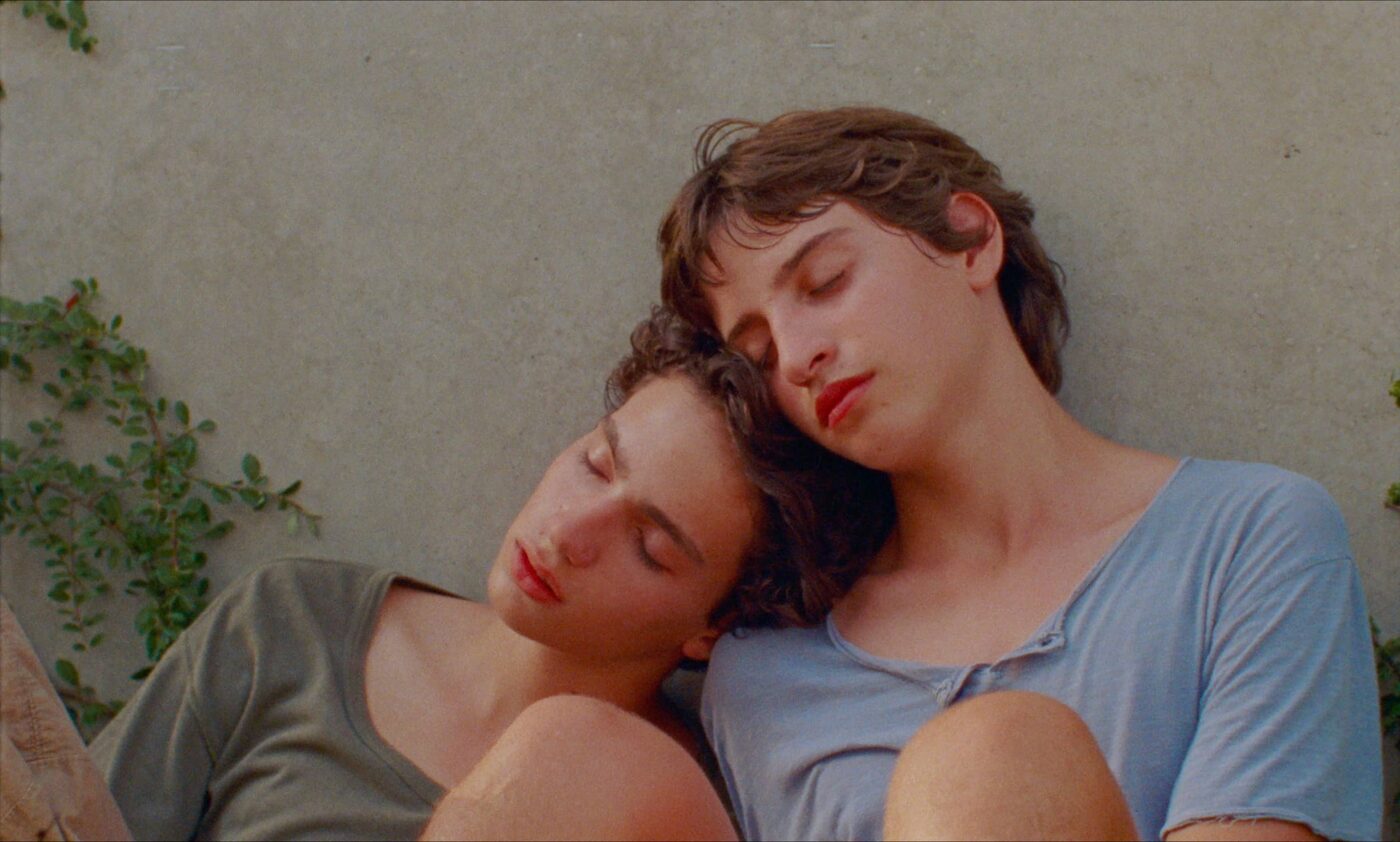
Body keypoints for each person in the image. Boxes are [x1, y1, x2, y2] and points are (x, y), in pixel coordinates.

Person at [653, 106, 1383, 841]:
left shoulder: (1244, 542)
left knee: (991, 759)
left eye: (825, 281)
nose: (796, 355)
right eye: (760, 355)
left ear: (972, 240)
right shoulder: (767, 676)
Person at [74, 306, 891, 840]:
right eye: (596, 465)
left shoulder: (678, 805)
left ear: (713, 628)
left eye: (650, 547)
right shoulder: (294, 622)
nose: (569, 532)